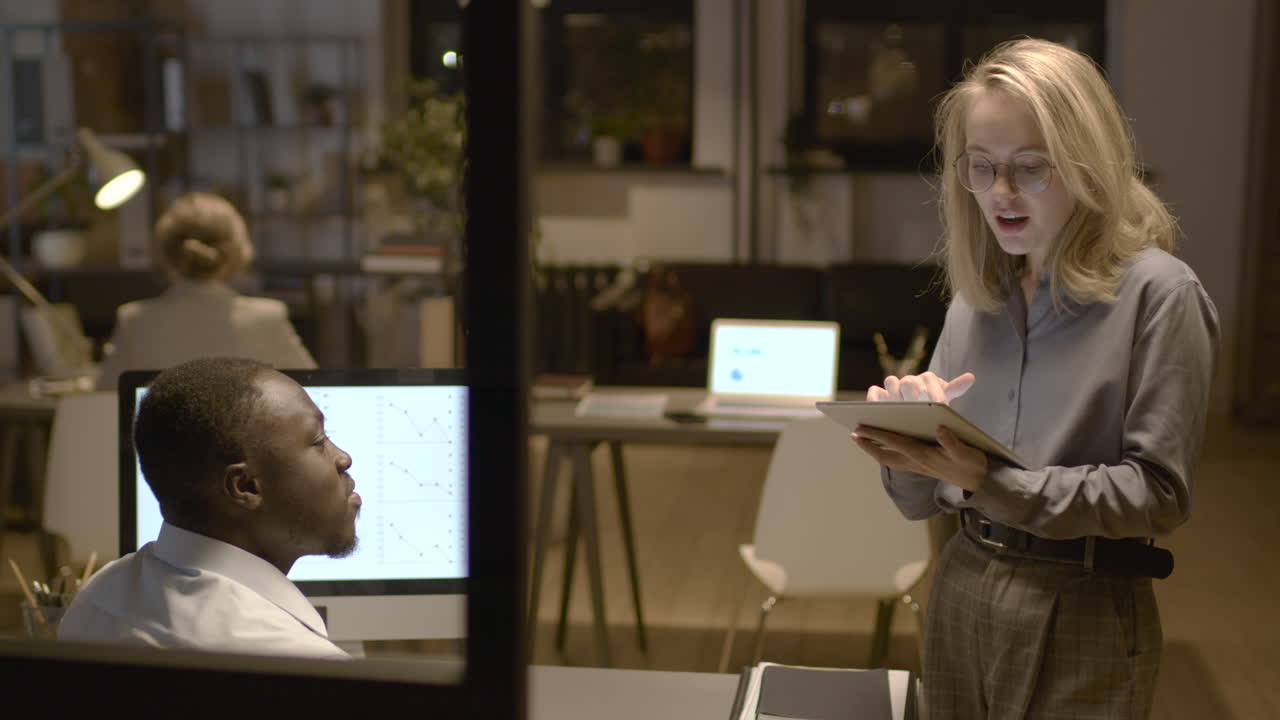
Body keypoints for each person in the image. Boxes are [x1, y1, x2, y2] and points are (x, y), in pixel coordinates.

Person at [850, 39, 1219, 718]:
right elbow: (919, 501)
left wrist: (989, 482)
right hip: (962, 583)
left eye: (1030, 167)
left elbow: (1160, 495)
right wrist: (904, 443)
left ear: (1088, 164)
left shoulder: (1161, 295)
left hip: (1083, 601)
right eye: (982, 167)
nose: (1001, 193)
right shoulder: (977, 298)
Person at [60, 357, 360, 659]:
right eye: (318, 441)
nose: (343, 458)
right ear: (245, 487)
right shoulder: (297, 660)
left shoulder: (97, 596)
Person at [95, 192, 316, 390]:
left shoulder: (134, 320)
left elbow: (102, 398)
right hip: (249, 437)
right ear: (239, 252)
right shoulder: (268, 317)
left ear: (165, 254)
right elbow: (314, 389)